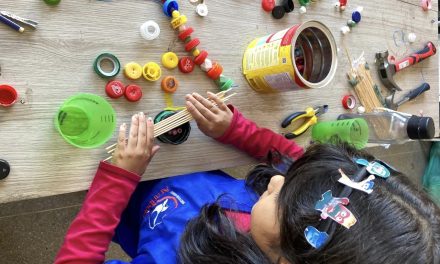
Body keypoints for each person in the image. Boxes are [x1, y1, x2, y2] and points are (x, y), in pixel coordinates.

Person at [54, 92, 440, 264]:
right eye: (289, 180)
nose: (275, 181)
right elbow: (295, 159)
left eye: (280, 196)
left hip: (126, 207)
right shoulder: (314, 211)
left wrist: (117, 182)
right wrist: (235, 131)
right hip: (169, 175)